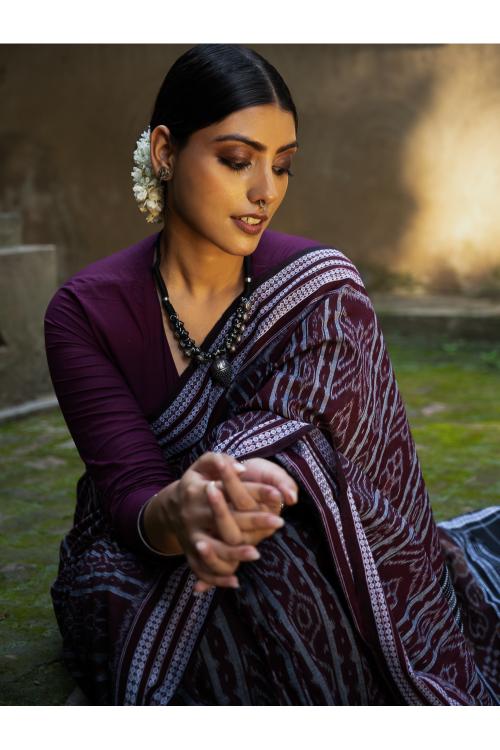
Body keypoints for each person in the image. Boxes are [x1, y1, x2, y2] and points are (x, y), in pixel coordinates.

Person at [44, 43, 499, 706]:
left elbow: (367, 480)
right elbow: (131, 492)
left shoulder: (320, 287)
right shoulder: (85, 312)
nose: (266, 192)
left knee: (281, 569)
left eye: (282, 166)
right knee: (134, 601)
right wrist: (183, 512)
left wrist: (244, 493)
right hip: (153, 542)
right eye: (237, 160)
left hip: (303, 529)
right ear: (165, 153)